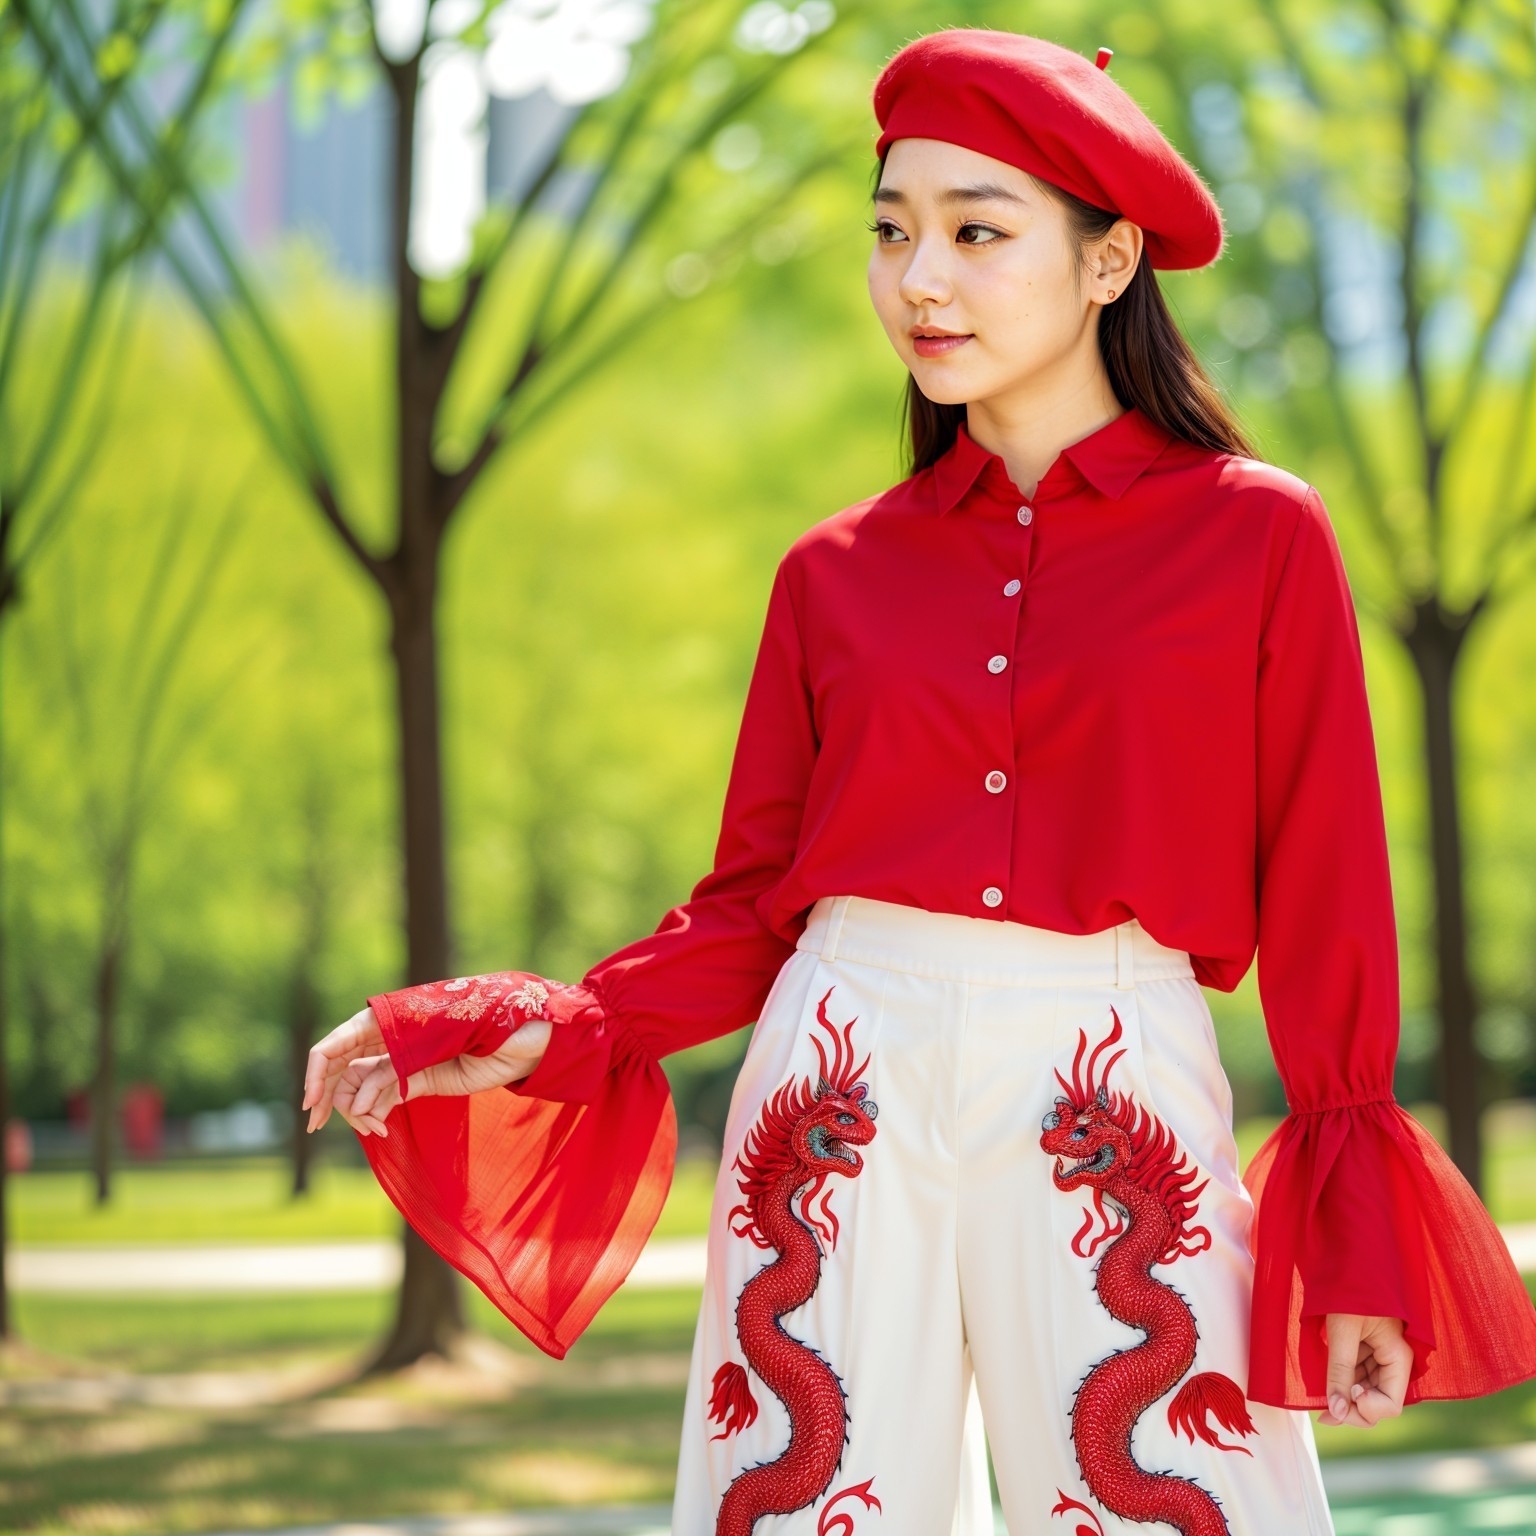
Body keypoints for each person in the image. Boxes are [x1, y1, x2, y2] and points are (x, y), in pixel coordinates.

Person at [301, 27, 1536, 1536]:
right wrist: (548, 1025)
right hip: (840, 1074)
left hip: (1112, 1082)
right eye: (891, 233)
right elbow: (753, 908)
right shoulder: (834, 575)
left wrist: (1355, 1248)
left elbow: (1330, 888)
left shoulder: (1258, 536)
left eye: (976, 232)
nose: (919, 280)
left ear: (1108, 261)